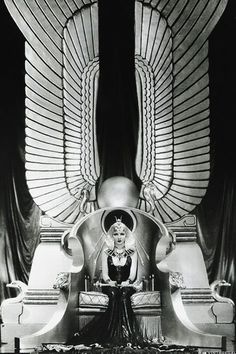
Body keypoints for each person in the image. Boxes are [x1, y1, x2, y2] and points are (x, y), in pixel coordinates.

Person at [73, 218, 141, 346]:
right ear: (111, 236)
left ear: (126, 235)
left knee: (125, 295)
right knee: (114, 295)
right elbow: (105, 275)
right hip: (110, 285)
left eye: (122, 234)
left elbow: (133, 274)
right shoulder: (106, 252)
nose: (119, 237)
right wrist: (109, 282)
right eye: (116, 234)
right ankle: (111, 334)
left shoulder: (133, 252)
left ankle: (127, 334)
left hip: (127, 285)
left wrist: (128, 281)